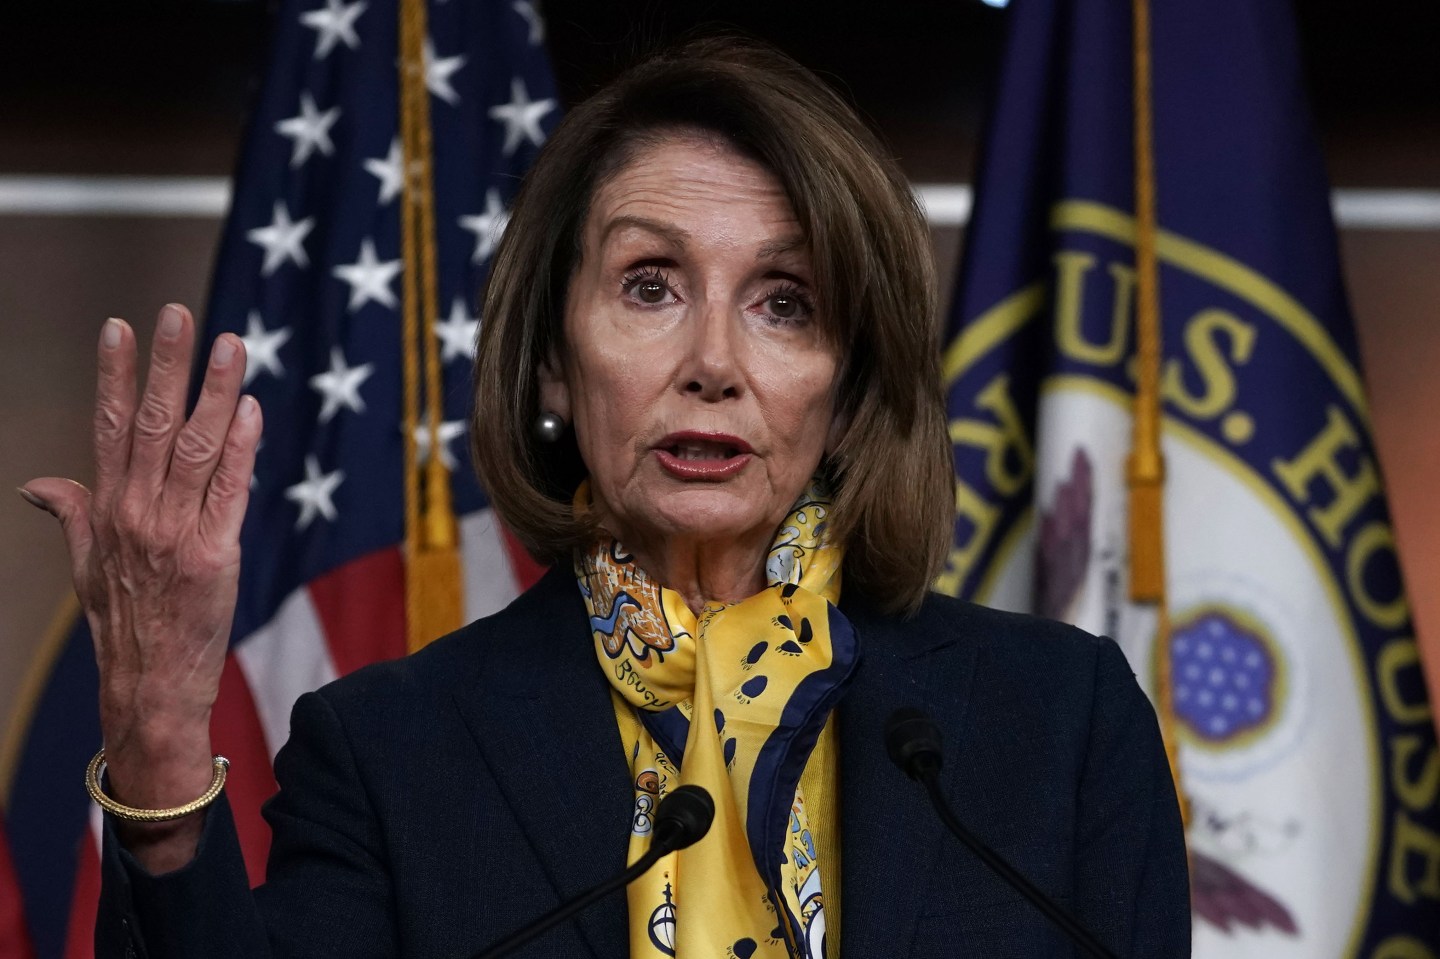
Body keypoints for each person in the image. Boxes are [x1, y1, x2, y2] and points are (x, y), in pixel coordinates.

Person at [22, 37, 1189, 959]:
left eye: (785, 300)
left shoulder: (1059, 725)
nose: (714, 362)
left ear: (851, 381)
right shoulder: (394, 752)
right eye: (649, 284)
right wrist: (165, 748)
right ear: (549, 360)